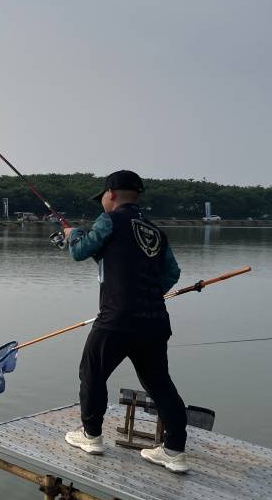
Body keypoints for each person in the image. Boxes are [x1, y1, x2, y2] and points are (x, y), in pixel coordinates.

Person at [61, 170, 190, 472]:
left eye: (103, 197)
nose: (102, 202)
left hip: (116, 319)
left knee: (92, 373)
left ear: (112, 194)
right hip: (155, 321)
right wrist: (145, 293)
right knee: (160, 383)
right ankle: (174, 450)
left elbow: (80, 251)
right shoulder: (156, 231)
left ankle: (91, 436)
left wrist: (72, 235)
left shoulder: (110, 220)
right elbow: (172, 273)